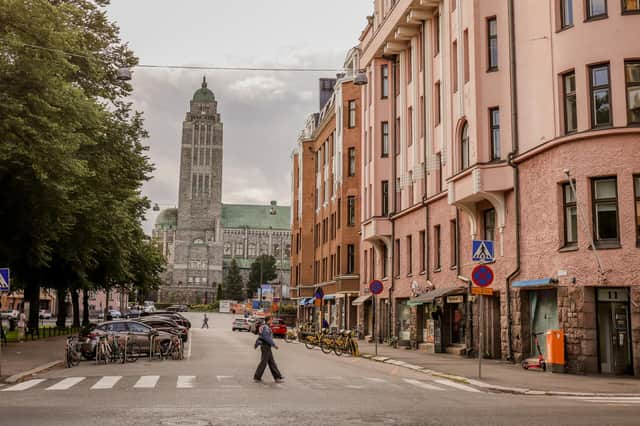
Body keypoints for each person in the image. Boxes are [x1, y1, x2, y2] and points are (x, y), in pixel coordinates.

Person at [253, 316, 284, 383]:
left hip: (266, 346)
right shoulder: (265, 327)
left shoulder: (265, 326)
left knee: (271, 362)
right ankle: (257, 377)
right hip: (265, 345)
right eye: (271, 320)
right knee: (263, 362)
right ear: (268, 320)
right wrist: (274, 345)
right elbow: (266, 337)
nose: (272, 321)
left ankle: (277, 377)